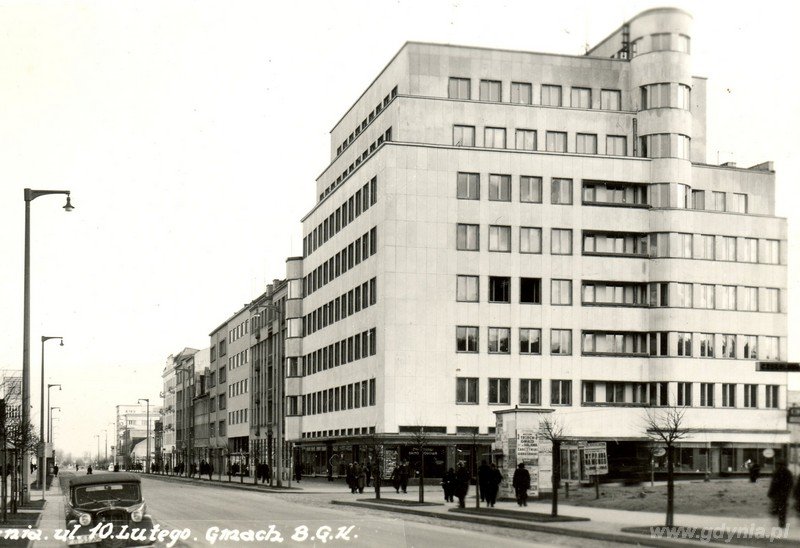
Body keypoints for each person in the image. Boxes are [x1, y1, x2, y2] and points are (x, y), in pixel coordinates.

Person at [768, 460, 793, 528]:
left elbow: (774, 483)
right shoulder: (788, 473)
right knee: (783, 507)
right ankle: (782, 522)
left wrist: (770, 492)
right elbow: (791, 483)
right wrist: (788, 491)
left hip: (778, 493)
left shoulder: (777, 472)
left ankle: (779, 520)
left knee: (777, 505)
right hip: (784, 493)